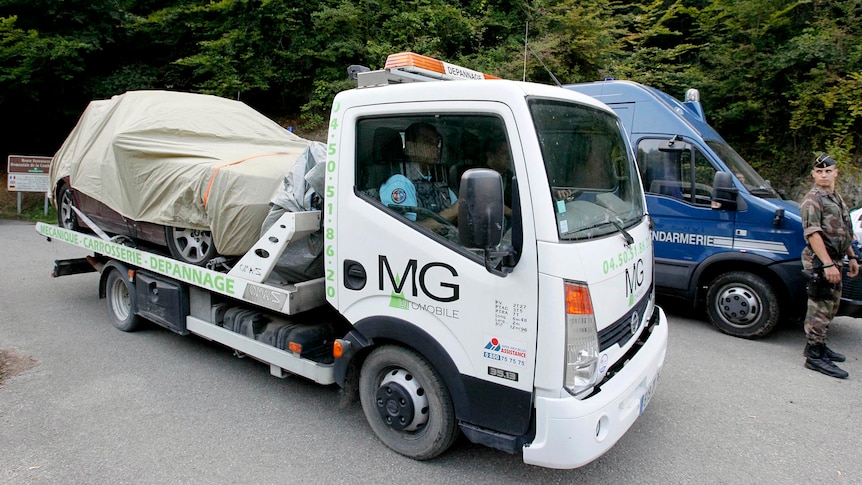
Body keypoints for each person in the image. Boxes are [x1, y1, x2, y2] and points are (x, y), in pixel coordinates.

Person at [799, 152, 859, 378]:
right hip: (820, 261)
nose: (823, 175)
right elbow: (813, 234)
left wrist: (851, 257)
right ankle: (814, 355)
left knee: (832, 305)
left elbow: (845, 231)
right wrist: (826, 265)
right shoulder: (812, 200)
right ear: (813, 174)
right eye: (819, 172)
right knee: (820, 307)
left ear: (835, 172)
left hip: (835, 259)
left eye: (827, 171)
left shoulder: (835, 197)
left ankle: (820, 345)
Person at [379, 122, 458, 237]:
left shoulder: (436, 180)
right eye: (428, 142)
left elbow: (457, 209)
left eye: (437, 143)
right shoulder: (400, 181)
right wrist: (451, 213)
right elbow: (405, 231)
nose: (435, 148)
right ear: (411, 147)